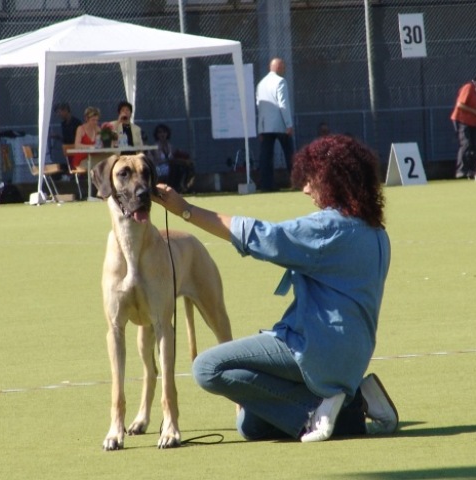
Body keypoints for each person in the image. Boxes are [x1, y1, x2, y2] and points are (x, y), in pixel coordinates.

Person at [153, 134, 398, 443]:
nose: (306, 188)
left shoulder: (328, 228)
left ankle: (316, 408)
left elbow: (259, 235)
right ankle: (354, 402)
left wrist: (185, 209)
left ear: (334, 180)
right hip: (354, 356)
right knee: (250, 425)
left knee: (206, 367)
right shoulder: (376, 232)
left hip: (316, 348)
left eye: (312, 179)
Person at [255, 57, 294, 192]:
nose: (284, 69)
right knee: (290, 154)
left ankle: (267, 185)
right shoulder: (280, 81)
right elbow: (283, 104)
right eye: (283, 66)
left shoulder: (261, 84)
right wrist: (288, 124)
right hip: (280, 124)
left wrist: (260, 129)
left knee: (266, 156)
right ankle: (297, 181)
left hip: (265, 126)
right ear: (277, 67)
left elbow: (259, 106)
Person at [150, 123, 195, 193]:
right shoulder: (156, 146)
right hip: (159, 168)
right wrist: (170, 161)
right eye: (160, 132)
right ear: (157, 134)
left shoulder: (169, 146)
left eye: (164, 132)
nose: (162, 134)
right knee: (174, 166)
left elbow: (173, 156)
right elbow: (158, 161)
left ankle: (185, 186)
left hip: (170, 166)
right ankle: (174, 188)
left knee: (186, 166)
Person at [450, 75, 476, 179]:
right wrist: (474, 111)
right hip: (462, 120)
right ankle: (462, 171)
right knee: (466, 144)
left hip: (473, 122)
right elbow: (460, 104)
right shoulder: (469, 87)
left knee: (473, 146)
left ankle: (471, 171)